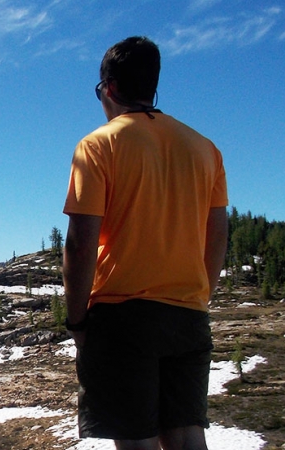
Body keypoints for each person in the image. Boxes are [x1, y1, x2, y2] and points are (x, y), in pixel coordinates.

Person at [61, 36, 229, 450]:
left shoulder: (99, 145)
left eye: (99, 91)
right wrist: (200, 297)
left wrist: (78, 321)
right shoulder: (205, 149)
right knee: (188, 435)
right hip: (188, 316)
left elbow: (82, 243)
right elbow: (218, 233)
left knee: (135, 440)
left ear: (111, 88)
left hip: (123, 317)